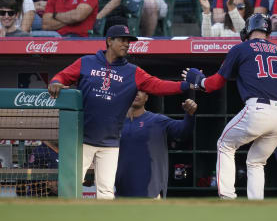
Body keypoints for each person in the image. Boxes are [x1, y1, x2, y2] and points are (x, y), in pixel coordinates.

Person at [48, 25, 191, 199]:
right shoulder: (86, 62)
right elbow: (62, 76)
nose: (126, 44)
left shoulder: (133, 71)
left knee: (106, 191)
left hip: (110, 142)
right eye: (122, 40)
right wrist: (55, 81)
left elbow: (158, 85)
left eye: (128, 41)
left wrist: (186, 85)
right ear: (109, 41)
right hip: (82, 139)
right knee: (70, 186)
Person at [182, 13, 277, 200]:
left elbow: (214, 84)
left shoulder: (241, 48)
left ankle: (228, 198)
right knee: (256, 162)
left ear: (247, 30)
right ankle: (255, 204)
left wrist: (199, 81)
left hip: (258, 109)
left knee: (225, 145)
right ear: (268, 32)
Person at [115, 91, 197, 198]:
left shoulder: (157, 120)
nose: (136, 93)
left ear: (147, 97)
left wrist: (190, 114)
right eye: (133, 90)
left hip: (152, 192)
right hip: (120, 192)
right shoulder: (114, 122)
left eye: (141, 91)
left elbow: (183, 132)